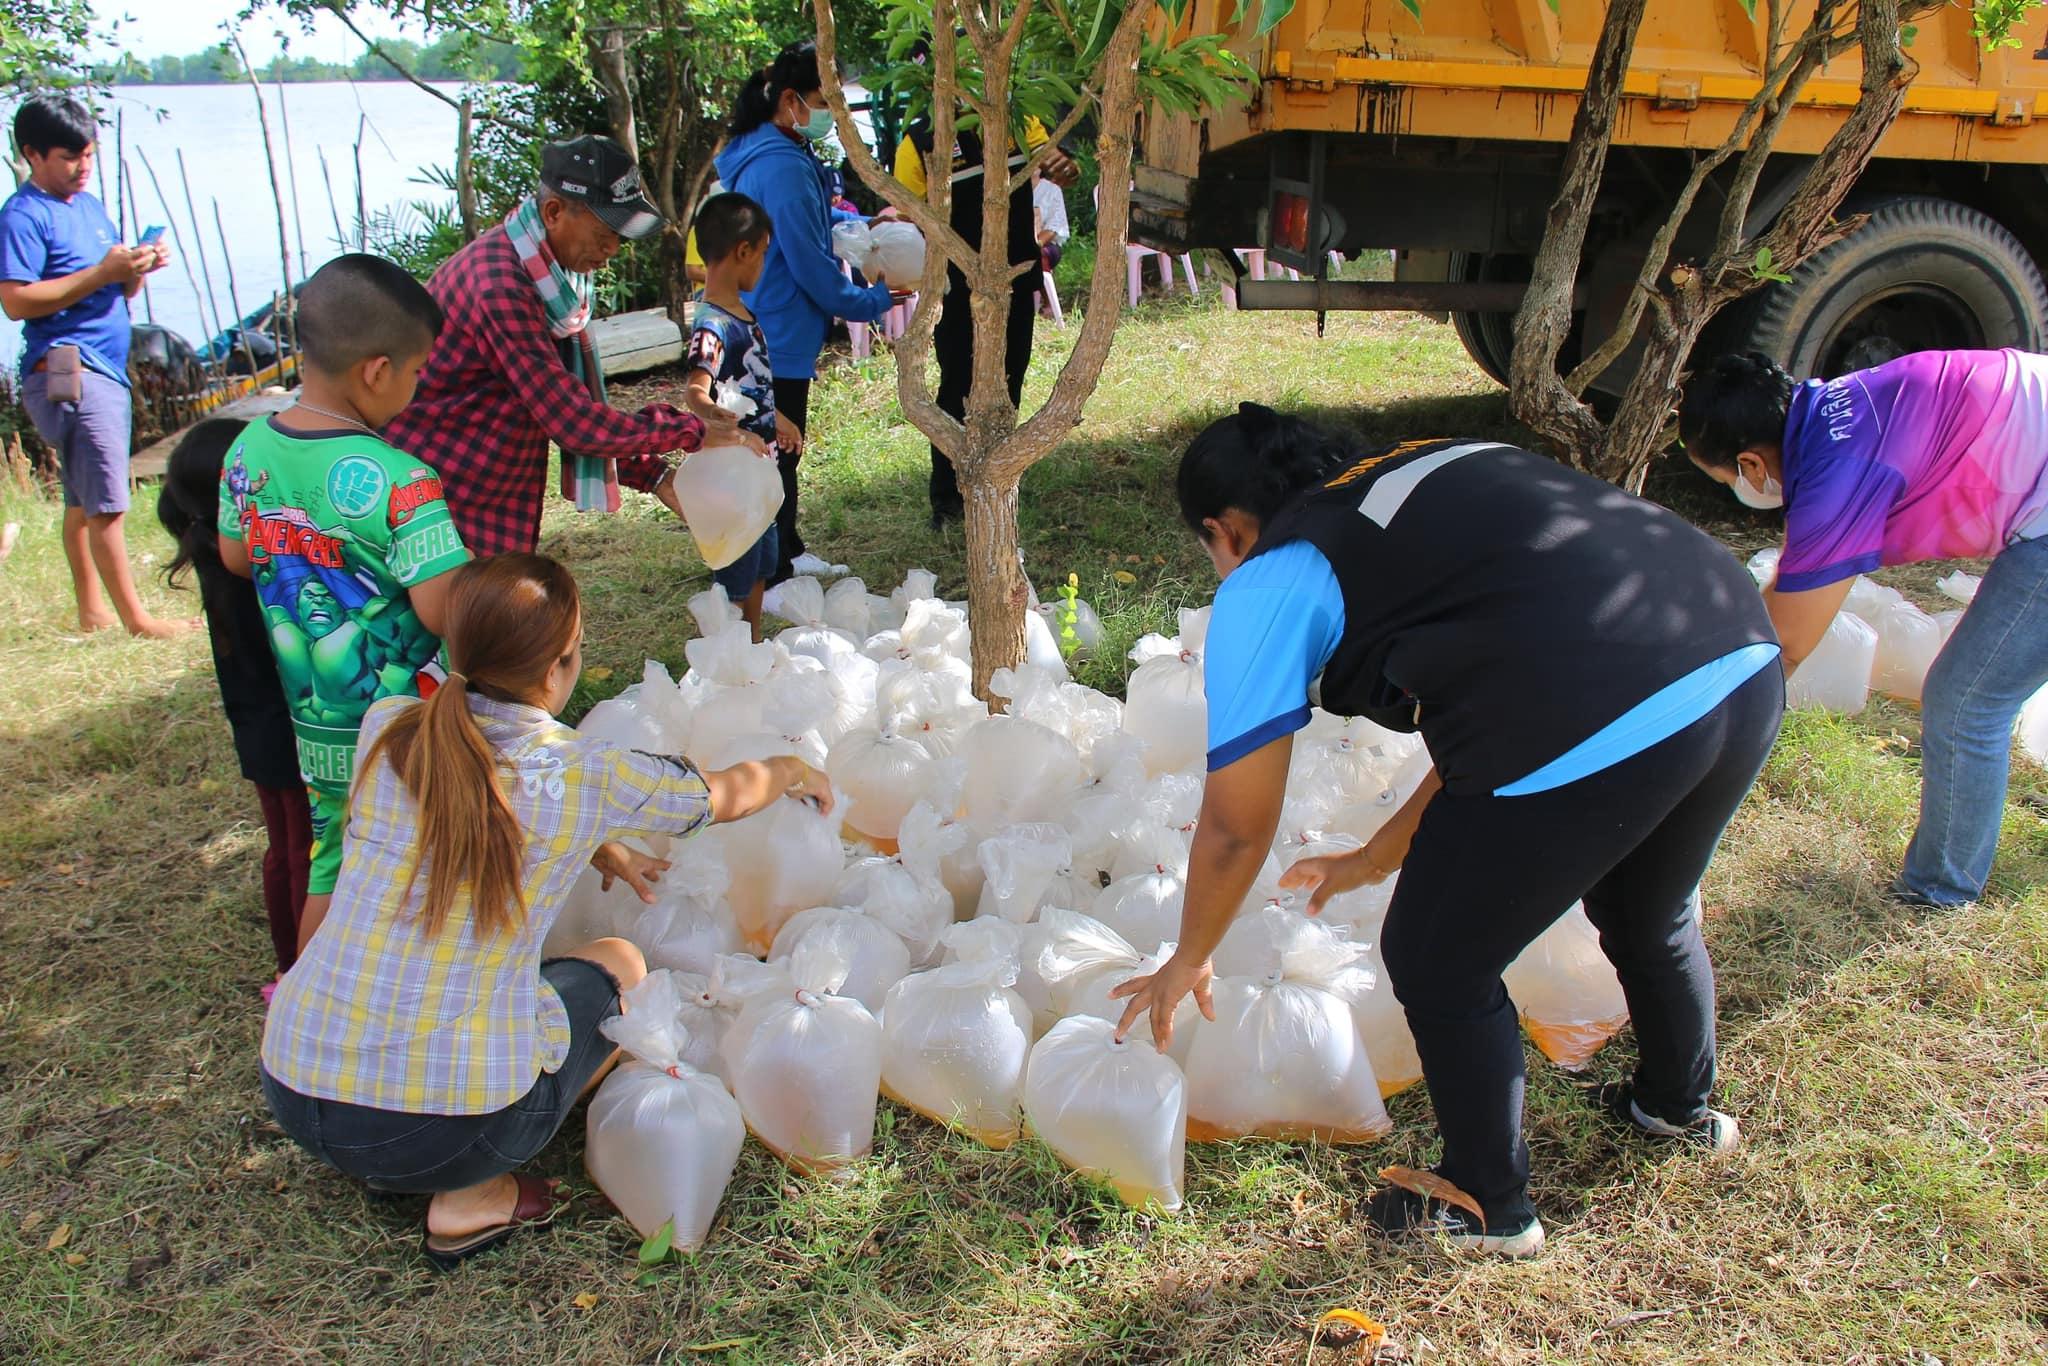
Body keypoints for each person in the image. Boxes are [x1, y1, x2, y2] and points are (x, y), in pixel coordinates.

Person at [1111, 406, 1784, 1256]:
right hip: (1737, 651)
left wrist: (1191, 955)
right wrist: (1375, 855)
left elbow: (1236, 826)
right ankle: (1679, 1111)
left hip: (1605, 699)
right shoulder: (1431, 467)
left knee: (1437, 958)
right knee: (1649, 908)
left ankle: (1486, 1202)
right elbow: (1495, 708)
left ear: (1225, 530)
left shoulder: (1272, 580)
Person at [259, 553, 835, 1268]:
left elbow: (474, 810)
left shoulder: (390, 725)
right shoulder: (585, 770)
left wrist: (597, 845)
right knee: (621, 966)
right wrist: (793, 767)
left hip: (295, 1085)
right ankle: (470, 1195)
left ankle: (395, 1154)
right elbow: (723, 795)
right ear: (562, 664)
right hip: (442, 1129)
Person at [1679, 348, 2048, 908]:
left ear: (1751, 465)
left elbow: (1784, 644)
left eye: (1724, 477)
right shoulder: (1837, 411)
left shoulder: (1839, 475)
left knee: (1966, 701)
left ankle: (1939, 892)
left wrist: (1697, 739)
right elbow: (1791, 591)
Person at [216, 254, 474, 950]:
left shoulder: (247, 449)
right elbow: (443, 613)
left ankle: (304, 1006)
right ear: (377, 371)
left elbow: (236, 555)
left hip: (316, 723)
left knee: (333, 861)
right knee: (430, 863)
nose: (418, 387)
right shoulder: (403, 481)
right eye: (418, 372)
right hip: (409, 731)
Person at [383, 135, 755, 560]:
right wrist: (691, 431)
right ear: (554, 212)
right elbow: (571, 420)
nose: (612, 250)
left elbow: (566, 399)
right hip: (440, 493)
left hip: (491, 485)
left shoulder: (555, 282)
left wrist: (656, 476)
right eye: (604, 233)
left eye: (619, 236)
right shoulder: (500, 286)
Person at [715, 41, 899, 582]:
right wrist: (872, 300)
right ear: (790, 100)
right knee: (778, 449)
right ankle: (771, 573)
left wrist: (857, 225)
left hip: (765, 320)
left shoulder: (764, 150)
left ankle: (785, 551)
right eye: (824, 102)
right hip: (779, 330)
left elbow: (804, 227)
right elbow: (809, 263)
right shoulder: (783, 166)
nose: (831, 115)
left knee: (773, 447)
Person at [0, 92, 180, 638]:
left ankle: (93, 611)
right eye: (69, 157)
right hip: (70, 368)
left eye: (88, 156)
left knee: (82, 499)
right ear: (32, 154)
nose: (82, 168)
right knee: (106, 503)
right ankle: (138, 620)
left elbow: (116, 289)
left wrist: (135, 269)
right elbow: (15, 301)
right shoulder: (24, 215)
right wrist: (103, 273)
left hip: (104, 365)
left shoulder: (88, 206)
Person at [158, 418, 311, 990]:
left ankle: (288, 964)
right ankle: (299, 974)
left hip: (256, 730)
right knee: (305, 852)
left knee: (285, 848)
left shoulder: (210, 552)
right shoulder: (250, 568)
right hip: (286, 729)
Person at [893, 83, 1078, 527]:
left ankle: (998, 485)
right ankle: (949, 498)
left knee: (1011, 379)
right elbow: (904, 215)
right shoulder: (920, 140)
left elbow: (1057, 164)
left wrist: (1062, 165)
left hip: (1016, 277)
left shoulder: (1015, 116)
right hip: (956, 288)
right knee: (957, 384)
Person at [680, 191, 796, 639]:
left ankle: (752, 642)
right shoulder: (713, 324)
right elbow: (696, 391)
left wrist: (776, 419)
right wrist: (729, 429)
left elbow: (748, 386)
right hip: (733, 478)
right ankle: (729, 648)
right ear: (743, 251)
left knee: (762, 560)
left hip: (757, 472)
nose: (762, 265)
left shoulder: (742, 315)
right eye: (762, 254)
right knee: (737, 568)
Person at [1032, 168, 1069, 276]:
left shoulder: (1052, 190)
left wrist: (1034, 245)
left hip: (1044, 244)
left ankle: (1043, 285)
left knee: (1037, 256)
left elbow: (1053, 229)